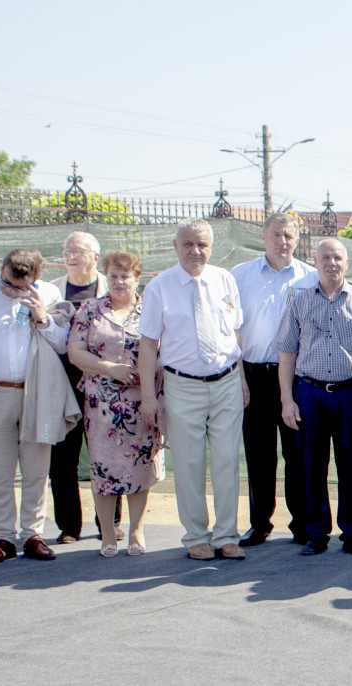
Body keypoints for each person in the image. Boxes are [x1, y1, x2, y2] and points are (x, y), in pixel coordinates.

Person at [0, 248, 76, 567]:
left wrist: (42, 316)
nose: (11, 291)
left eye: (20, 287)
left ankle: (33, 534)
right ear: (2, 270)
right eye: (7, 283)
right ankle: (4, 538)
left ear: (35, 279)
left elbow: (63, 344)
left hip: (37, 392)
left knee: (36, 469)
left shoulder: (49, 294)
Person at [138, 219, 247, 562]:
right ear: (176, 246)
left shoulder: (225, 279)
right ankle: (197, 537)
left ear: (211, 247)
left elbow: (236, 334)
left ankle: (227, 536)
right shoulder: (159, 287)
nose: (195, 251)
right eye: (188, 244)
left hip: (227, 382)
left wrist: (242, 379)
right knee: (189, 464)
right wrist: (148, 396)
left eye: (202, 244)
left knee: (228, 461)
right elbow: (147, 345)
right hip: (182, 386)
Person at [274, 238, 352, 556]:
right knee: (312, 465)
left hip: (351, 394)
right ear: (315, 262)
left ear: (347, 263)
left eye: (337, 257)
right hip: (310, 394)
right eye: (325, 258)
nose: (331, 263)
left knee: (349, 466)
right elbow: (287, 352)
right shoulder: (300, 301)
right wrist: (287, 400)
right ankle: (317, 533)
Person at [67, 251, 163, 558]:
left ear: (137, 278)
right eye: (113, 276)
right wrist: (110, 368)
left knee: (141, 466)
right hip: (102, 405)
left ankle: (136, 530)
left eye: (125, 276)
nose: (119, 282)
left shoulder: (151, 310)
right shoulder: (90, 309)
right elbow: (75, 353)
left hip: (143, 401)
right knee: (103, 468)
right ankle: (107, 532)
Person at [230, 212, 318, 547]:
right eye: (276, 235)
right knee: (259, 454)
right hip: (254, 376)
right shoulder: (240, 276)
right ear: (264, 237)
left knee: (297, 454)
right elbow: (231, 329)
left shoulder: (311, 277)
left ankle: (302, 523)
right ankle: (260, 523)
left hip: (297, 379)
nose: (282, 241)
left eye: (289, 236)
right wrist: (239, 377)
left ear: (297, 239)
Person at [47, 231, 108, 543]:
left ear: (95, 257)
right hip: (62, 381)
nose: (71, 255)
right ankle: (69, 526)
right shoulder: (51, 290)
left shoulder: (110, 287)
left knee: (104, 453)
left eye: (79, 250)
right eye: (67, 250)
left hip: (103, 381)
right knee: (62, 456)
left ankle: (109, 523)